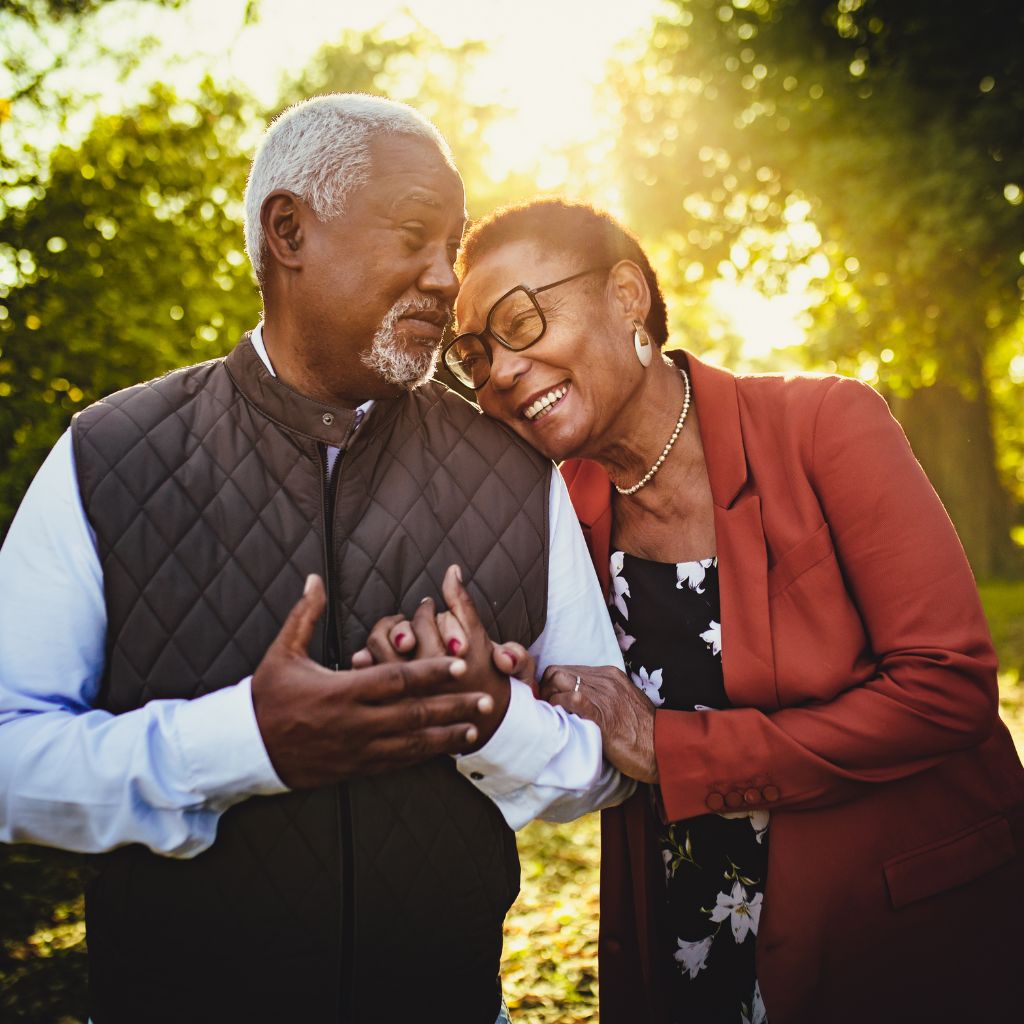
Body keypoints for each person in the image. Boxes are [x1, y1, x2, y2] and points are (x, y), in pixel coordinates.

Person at [0, 102, 634, 1024]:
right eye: (416, 236)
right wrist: (246, 743)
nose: (442, 279)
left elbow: (605, 766)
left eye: (451, 246)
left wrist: (490, 720)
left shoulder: (516, 472)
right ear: (288, 232)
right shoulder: (108, 454)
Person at [433, 197, 1024, 1024]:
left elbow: (946, 687)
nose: (498, 370)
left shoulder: (824, 425)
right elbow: (567, 707)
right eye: (474, 353)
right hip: (687, 923)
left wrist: (670, 749)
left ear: (627, 297)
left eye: (520, 322)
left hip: (895, 926)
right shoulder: (556, 510)